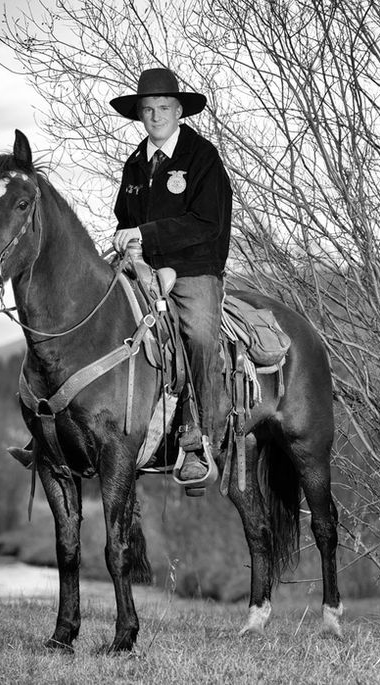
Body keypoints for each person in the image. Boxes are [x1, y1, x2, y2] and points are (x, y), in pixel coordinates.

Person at [109, 67, 232, 487]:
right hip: (143, 269)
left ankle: (199, 439)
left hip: (194, 270)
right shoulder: (134, 165)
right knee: (103, 317)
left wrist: (145, 234)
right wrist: (128, 245)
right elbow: (124, 219)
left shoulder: (202, 158)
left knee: (197, 335)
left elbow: (207, 223)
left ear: (179, 111)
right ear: (139, 115)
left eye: (163, 107)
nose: (155, 115)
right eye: (148, 109)